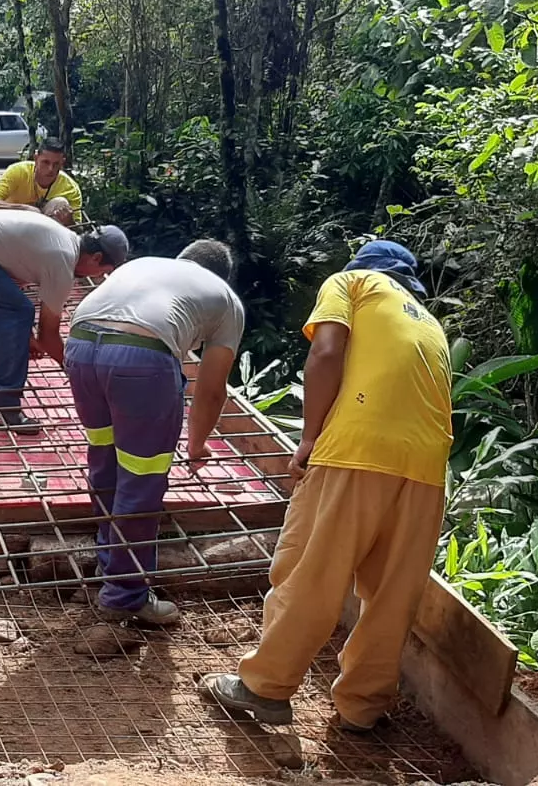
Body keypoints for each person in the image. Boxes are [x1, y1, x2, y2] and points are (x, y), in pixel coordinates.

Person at [202, 240, 451, 733]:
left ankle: (264, 688)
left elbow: (327, 349)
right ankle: (364, 706)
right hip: (427, 468)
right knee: (392, 594)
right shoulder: (430, 322)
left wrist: (310, 437)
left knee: (312, 570)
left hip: (357, 450)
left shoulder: (352, 283)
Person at [65, 240, 246, 625]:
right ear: (221, 276)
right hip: (141, 357)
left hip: (80, 345)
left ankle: (109, 564)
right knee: (140, 479)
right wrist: (196, 447)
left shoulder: (146, 263)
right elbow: (211, 389)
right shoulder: (226, 300)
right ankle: (125, 596)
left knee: (105, 459)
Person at [0, 209, 126, 434]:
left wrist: (25, 337)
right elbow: (48, 335)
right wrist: (77, 373)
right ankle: (5, 402)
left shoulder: (63, 241)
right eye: (101, 271)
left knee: (6, 309)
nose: (96, 276)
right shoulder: (62, 260)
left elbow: (9, 292)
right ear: (96, 258)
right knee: (18, 311)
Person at [0, 139, 83, 224]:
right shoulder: (18, 171)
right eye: (45, 162)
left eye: (56, 164)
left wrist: (70, 221)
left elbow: (80, 229)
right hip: (11, 225)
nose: (50, 169)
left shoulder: (70, 188)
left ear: (62, 163)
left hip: (47, 233)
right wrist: (24, 209)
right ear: (36, 158)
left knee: (60, 202)